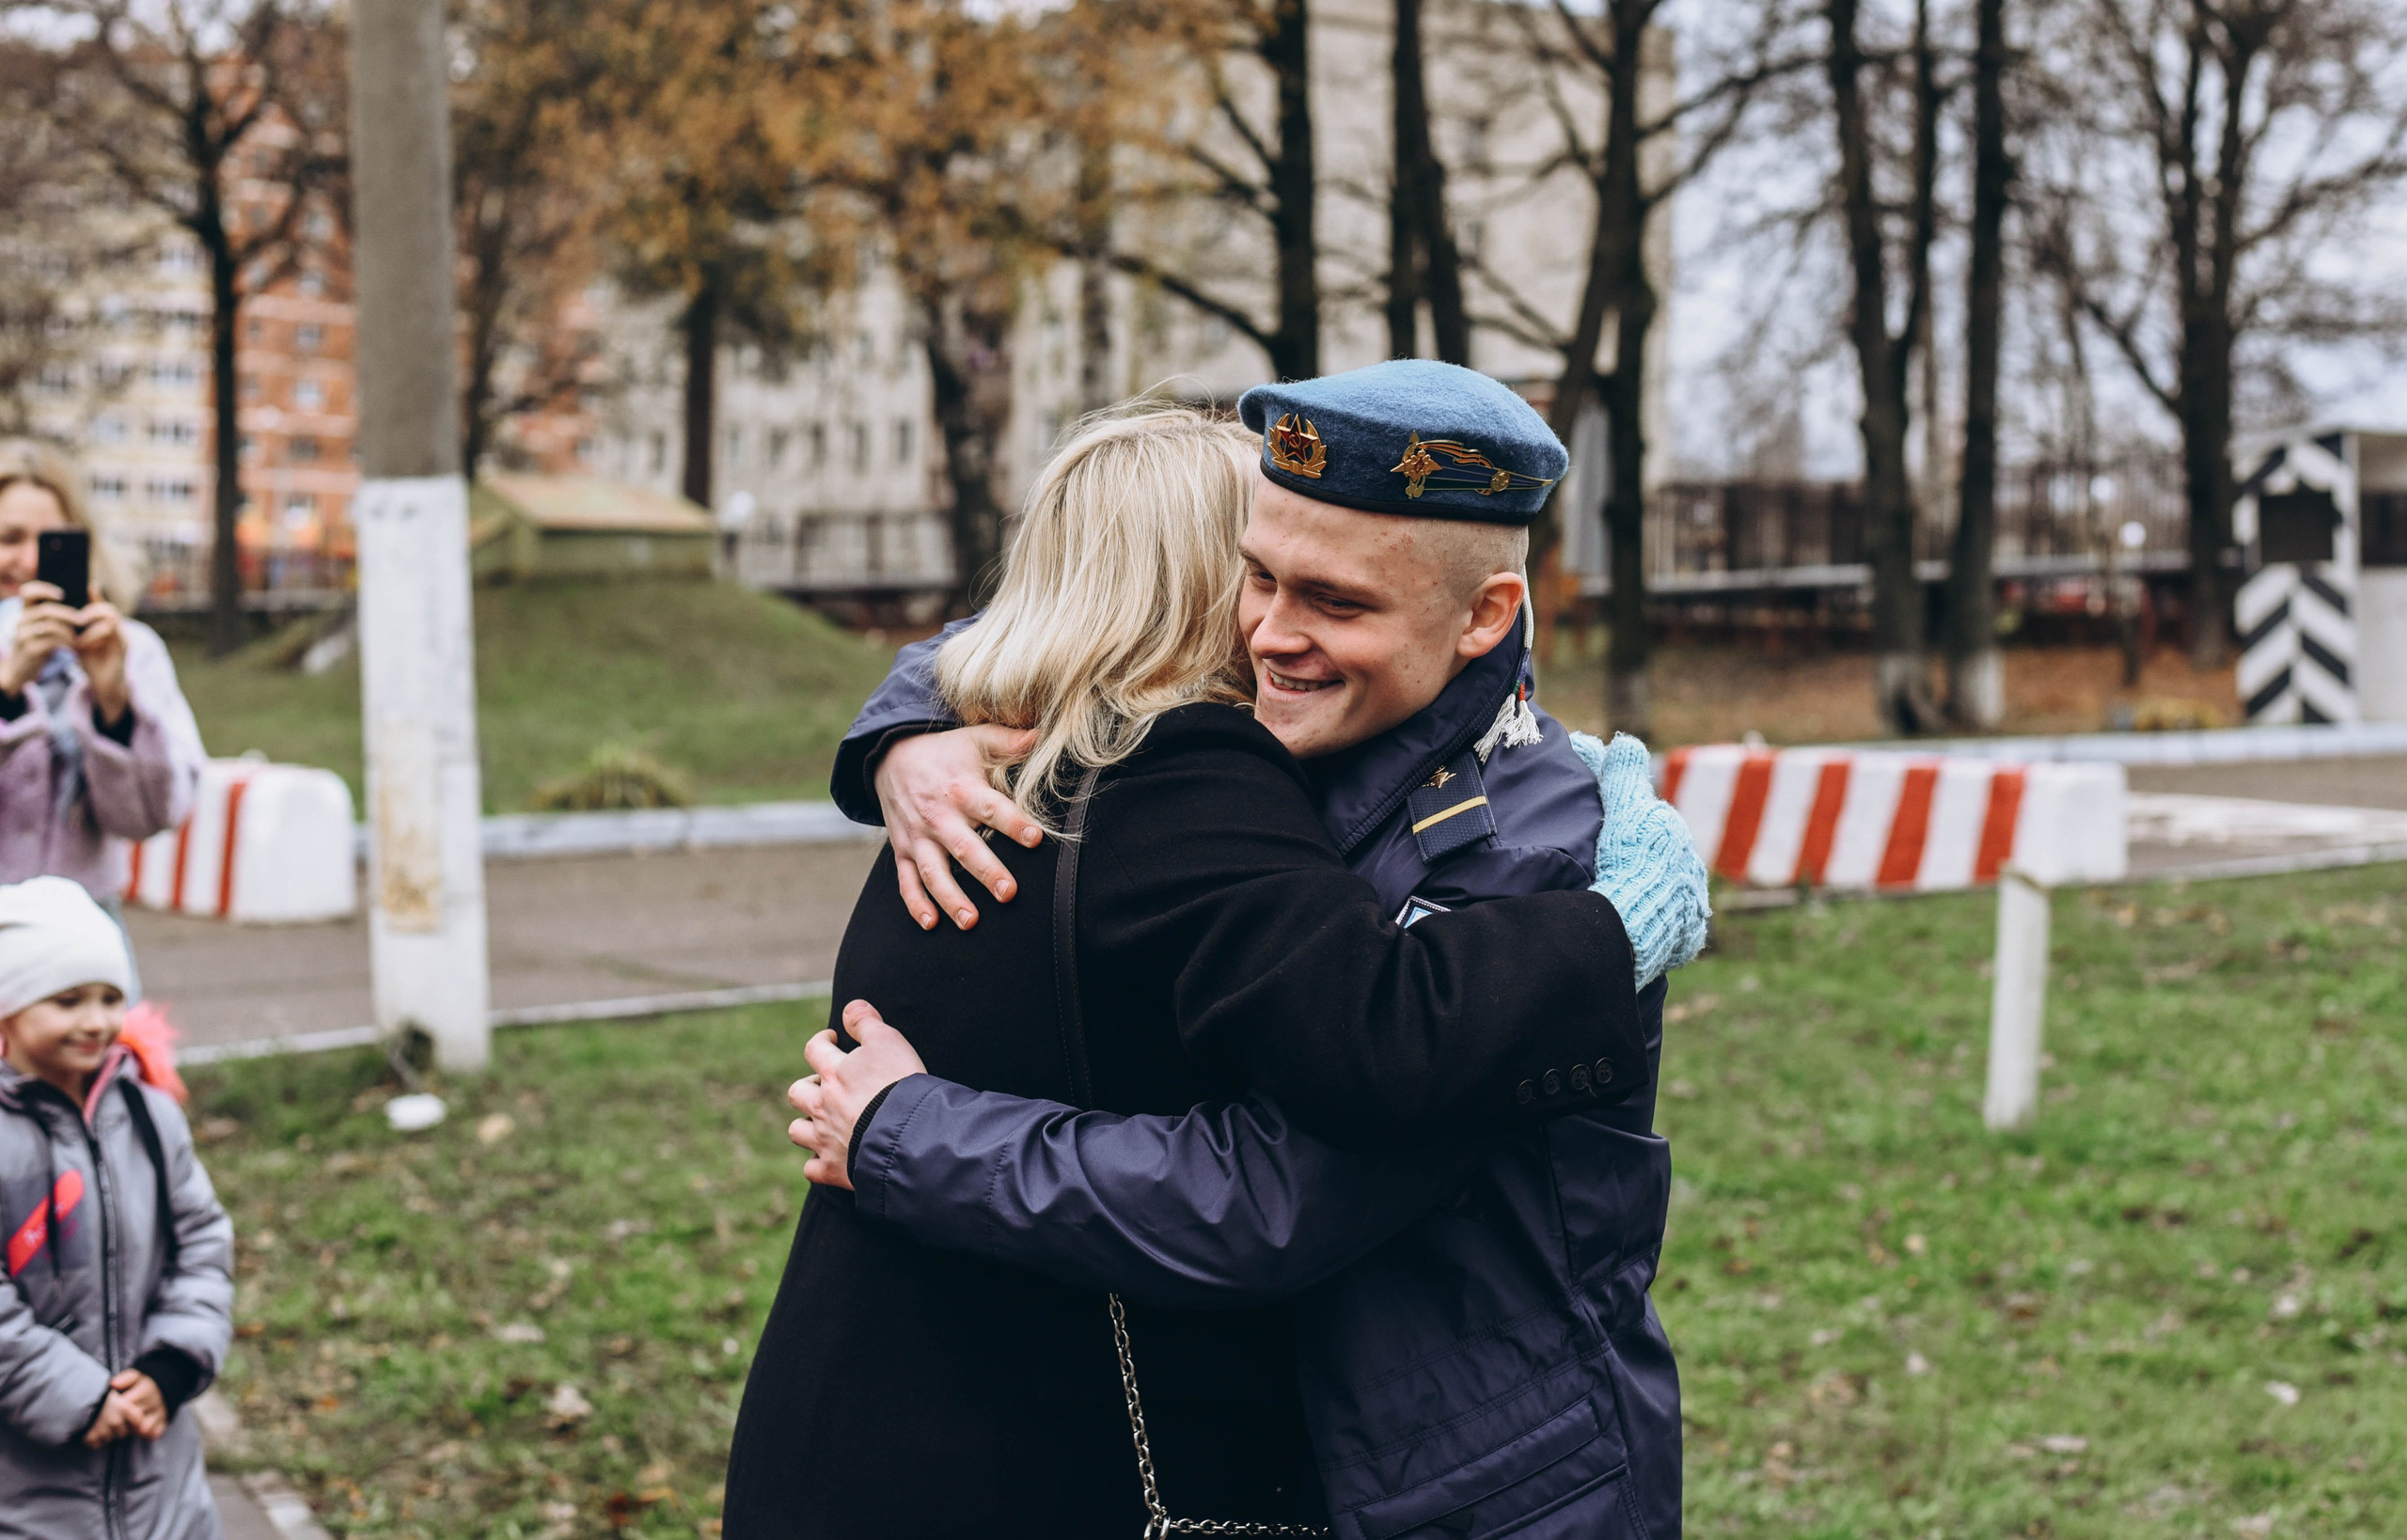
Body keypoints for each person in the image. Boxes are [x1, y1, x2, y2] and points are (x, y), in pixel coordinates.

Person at [721, 401, 1690, 1540]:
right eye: (1258, 578)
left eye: (1333, 598)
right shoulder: (1129, 773)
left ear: (1481, 615)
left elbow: (1307, 1158)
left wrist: (1618, 920)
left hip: (1478, 1475)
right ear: (1195, 583)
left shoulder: (1047, 776)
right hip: (1043, 1458)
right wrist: (903, 724)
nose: (1275, 629)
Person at [0, 875, 234, 1540]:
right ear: (8, 1009)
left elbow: (203, 1242)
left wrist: (172, 1364)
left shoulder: (151, 1116)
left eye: (110, 998)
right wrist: (72, 1394)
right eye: (67, 999)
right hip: (25, 1489)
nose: (97, 1021)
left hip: (161, 1478)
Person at [0, 442, 206, 902]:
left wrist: (114, 702)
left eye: (52, 544)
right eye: (9, 539)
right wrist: (9, 688)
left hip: (83, 943)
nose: (30, 562)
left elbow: (151, 817)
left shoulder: (131, 650)